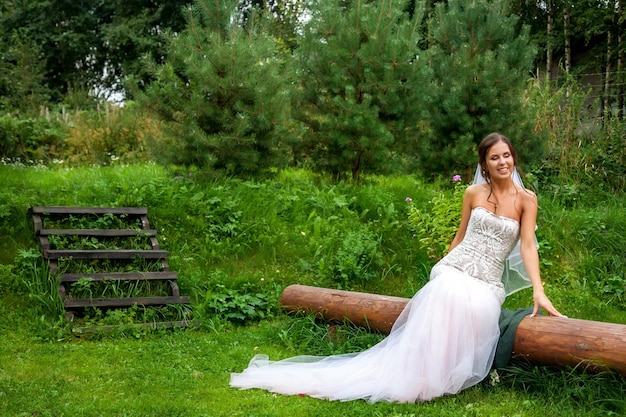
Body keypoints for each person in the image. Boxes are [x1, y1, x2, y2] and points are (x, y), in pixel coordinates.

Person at [230, 132, 565, 403]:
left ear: (514, 158)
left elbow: (526, 246)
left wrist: (539, 289)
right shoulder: (473, 192)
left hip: (487, 279)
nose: (502, 162)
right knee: (447, 289)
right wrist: (443, 267)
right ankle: (418, 376)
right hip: (457, 267)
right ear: (484, 164)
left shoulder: (526, 200)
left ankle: (437, 373)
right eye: (494, 157)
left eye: (506, 155)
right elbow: (459, 236)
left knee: (477, 306)